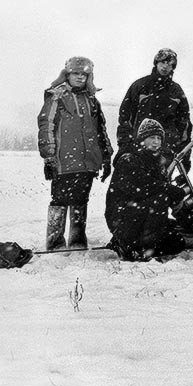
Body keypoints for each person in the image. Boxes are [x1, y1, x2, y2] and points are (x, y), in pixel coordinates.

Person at [37, 56, 113, 250]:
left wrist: (106, 157)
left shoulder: (92, 100)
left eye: (84, 74)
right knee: (60, 200)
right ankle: (55, 243)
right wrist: (49, 157)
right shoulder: (57, 96)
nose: (80, 77)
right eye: (76, 73)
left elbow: (100, 130)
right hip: (64, 162)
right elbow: (46, 126)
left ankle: (77, 241)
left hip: (87, 162)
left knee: (81, 200)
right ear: (67, 74)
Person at [104, 118, 193, 261]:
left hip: (141, 215)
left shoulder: (158, 162)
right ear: (142, 139)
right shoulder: (128, 159)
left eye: (159, 138)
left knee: (176, 242)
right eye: (152, 137)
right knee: (160, 199)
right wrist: (170, 190)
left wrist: (180, 206)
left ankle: (137, 243)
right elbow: (143, 187)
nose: (156, 142)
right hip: (122, 218)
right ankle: (137, 248)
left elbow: (160, 188)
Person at [115, 48, 192, 172]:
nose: (165, 67)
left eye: (169, 64)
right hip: (139, 148)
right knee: (137, 184)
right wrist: (125, 145)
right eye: (162, 62)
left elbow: (184, 123)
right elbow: (125, 118)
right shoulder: (139, 86)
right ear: (156, 63)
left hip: (166, 149)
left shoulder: (176, 91)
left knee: (162, 185)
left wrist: (183, 152)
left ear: (173, 67)